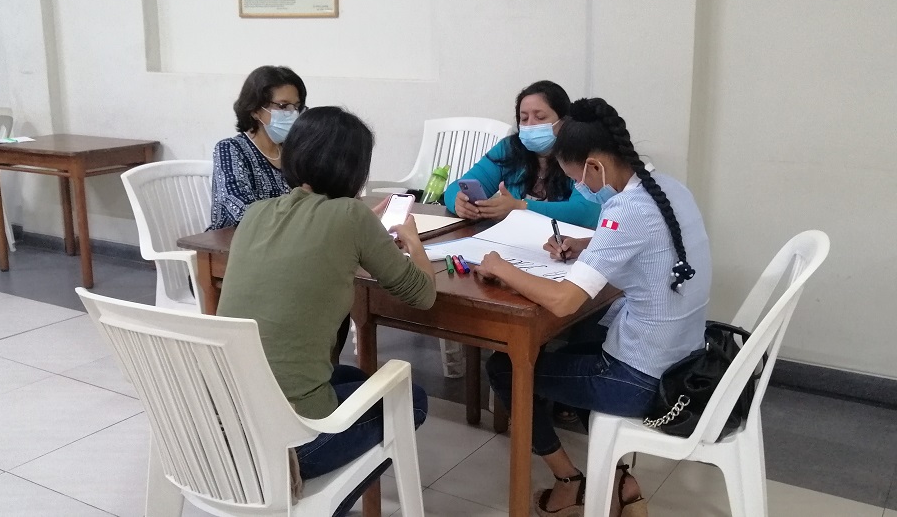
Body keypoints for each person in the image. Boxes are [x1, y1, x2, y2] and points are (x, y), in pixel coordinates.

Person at [477, 98, 712, 517]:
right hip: (683, 360)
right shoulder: (667, 188)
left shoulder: (627, 209)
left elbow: (564, 301)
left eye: (577, 178)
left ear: (595, 167)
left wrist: (501, 267)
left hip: (642, 379)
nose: (581, 187)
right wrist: (586, 245)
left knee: (505, 367)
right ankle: (621, 482)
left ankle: (568, 481)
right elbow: (647, 243)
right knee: (576, 353)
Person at [216, 106, 435, 516]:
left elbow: (319, 241)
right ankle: (326, 506)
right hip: (288, 438)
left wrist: (362, 230)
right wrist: (413, 242)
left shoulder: (257, 212)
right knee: (411, 398)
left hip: (227, 421)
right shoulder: (351, 216)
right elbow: (422, 294)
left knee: (351, 377)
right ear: (355, 170)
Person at [443, 80, 600, 228]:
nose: (529, 125)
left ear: (564, 120)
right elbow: (457, 188)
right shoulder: (509, 148)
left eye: (540, 117)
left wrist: (521, 207)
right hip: (512, 238)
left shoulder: (580, 153)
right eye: (524, 118)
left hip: (563, 242)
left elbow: (585, 212)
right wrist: (458, 202)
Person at [208, 65, 306, 230]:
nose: (293, 114)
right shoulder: (231, 149)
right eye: (283, 106)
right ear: (255, 110)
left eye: (296, 107)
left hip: (286, 236)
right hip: (237, 241)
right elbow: (240, 208)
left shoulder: (294, 151)